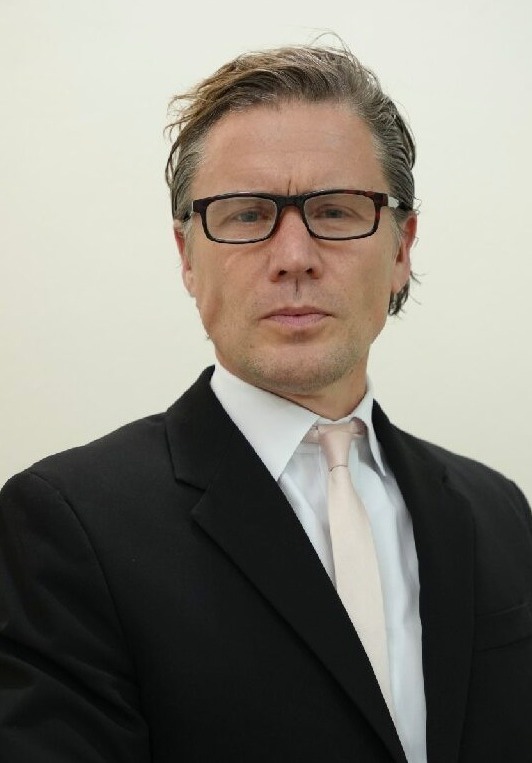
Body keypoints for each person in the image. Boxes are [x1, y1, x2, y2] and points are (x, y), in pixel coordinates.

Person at [1, 43, 531, 763]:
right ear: (188, 258)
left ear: (402, 248)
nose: (294, 256)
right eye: (248, 215)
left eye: (336, 211)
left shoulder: (498, 510)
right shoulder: (65, 525)